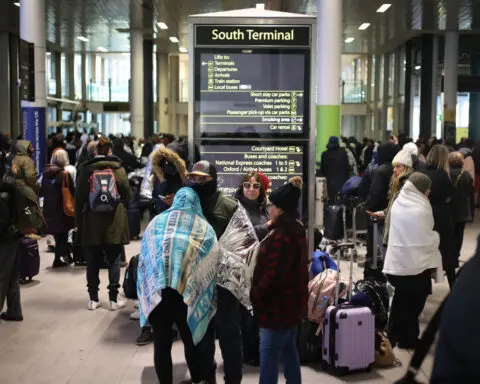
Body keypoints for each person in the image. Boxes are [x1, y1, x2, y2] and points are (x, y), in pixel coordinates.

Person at [137, 187, 219, 384]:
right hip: (186, 296)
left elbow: (144, 257)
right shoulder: (203, 226)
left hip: (158, 292)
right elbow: (212, 257)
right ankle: (198, 378)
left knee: (161, 343)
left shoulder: (156, 222)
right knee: (191, 340)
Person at [251, 176, 308, 384]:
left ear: (281, 209)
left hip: (278, 307)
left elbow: (274, 274)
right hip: (292, 304)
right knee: (288, 349)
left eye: (271, 205)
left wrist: (255, 293)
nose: (268, 208)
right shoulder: (296, 228)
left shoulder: (281, 236)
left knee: (268, 353)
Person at [133, 142, 189, 346]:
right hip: (163, 229)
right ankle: (152, 324)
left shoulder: (184, 178)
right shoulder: (164, 175)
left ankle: (158, 325)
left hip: (174, 230)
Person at [187, 160, 238, 384]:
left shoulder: (229, 206)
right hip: (198, 280)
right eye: (194, 178)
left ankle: (233, 379)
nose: (197, 182)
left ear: (213, 180)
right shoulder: (188, 205)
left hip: (225, 281)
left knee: (229, 335)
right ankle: (208, 377)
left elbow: (241, 244)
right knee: (202, 335)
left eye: (202, 179)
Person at [383, 173, 442, 349]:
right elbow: (425, 237)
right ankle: (406, 338)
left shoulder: (399, 203)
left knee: (402, 300)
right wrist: (436, 238)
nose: (428, 193)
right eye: (427, 190)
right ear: (421, 189)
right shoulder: (421, 208)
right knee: (414, 303)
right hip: (414, 267)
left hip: (396, 264)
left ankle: (395, 335)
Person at [220, 171, 270, 367]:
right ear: (241, 187)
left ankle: (256, 349)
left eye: (255, 186)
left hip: (261, 268)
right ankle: (247, 352)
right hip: (240, 270)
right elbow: (242, 237)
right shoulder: (235, 208)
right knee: (243, 314)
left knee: (257, 312)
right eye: (247, 186)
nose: (251, 190)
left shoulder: (265, 207)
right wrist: (268, 226)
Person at [75, 137, 131, 310]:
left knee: (92, 260)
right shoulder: (118, 169)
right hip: (114, 220)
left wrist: (78, 222)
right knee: (114, 259)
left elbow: (79, 199)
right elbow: (127, 193)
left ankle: (93, 299)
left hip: (91, 221)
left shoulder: (85, 169)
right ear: (110, 151)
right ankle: (113, 300)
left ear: (94, 152)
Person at [419, 145, 456, 287]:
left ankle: (425, 286)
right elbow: (450, 195)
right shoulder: (444, 176)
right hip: (442, 215)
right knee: (447, 252)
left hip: (424, 214)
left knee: (425, 251)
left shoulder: (421, 173)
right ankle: (453, 285)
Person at [0, 135, 23, 321]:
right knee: (12, 271)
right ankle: (14, 310)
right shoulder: (10, 173)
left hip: (5, 229)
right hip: (13, 229)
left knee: (4, 272)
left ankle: (13, 310)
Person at [40, 148, 75, 268]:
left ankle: (62, 256)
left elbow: (41, 191)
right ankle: (57, 259)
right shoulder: (64, 174)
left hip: (49, 208)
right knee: (63, 235)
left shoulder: (45, 174)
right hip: (62, 208)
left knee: (57, 234)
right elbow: (72, 191)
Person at [449, 152, 474, 262]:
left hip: (450, 207)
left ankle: (450, 255)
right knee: (459, 233)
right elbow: (470, 191)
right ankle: (456, 255)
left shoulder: (447, 173)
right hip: (463, 208)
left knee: (449, 233)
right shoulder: (466, 174)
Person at [319, 136, 350, 202]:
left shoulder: (324, 154)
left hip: (329, 182)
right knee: (340, 201)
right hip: (341, 181)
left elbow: (322, 170)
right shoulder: (343, 153)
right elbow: (347, 168)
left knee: (329, 200)